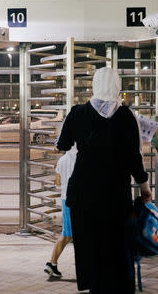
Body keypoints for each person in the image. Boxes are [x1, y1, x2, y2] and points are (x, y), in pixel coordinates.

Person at [56, 67, 152, 293]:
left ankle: (94, 285)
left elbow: (62, 144)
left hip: (82, 193)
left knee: (90, 246)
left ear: (95, 85)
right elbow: (134, 158)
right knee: (116, 246)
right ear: (117, 86)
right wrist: (144, 188)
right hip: (115, 194)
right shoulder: (127, 116)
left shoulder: (77, 112)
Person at [44, 146, 77, 277]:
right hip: (79, 200)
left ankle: (52, 263)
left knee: (67, 234)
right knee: (77, 234)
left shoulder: (62, 160)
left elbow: (57, 182)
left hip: (65, 199)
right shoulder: (83, 158)